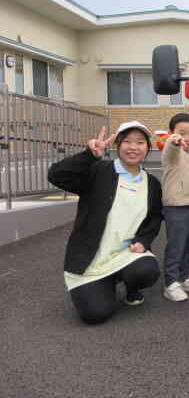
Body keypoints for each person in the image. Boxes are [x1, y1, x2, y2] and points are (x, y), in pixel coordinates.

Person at [48, 122, 162, 325]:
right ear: (117, 145)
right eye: (127, 141)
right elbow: (56, 175)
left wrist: (143, 240)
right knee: (95, 314)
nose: (133, 147)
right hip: (92, 259)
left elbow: (154, 217)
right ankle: (104, 282)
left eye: (140, 142)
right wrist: (88, 156)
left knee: (146, 270)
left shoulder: (151, 183)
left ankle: (130, 286)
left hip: (125, 254)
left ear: (147, 148)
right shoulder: (98, 170)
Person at [161, 113, 189, 302]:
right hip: (176, 205)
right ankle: (170, 283)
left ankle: (184, 276)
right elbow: (169, 149)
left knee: (188, 244)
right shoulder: (172, 151)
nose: (187, 137)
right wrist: (174, 141)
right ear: (172, 132)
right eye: (182, 133)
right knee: (176, 245)